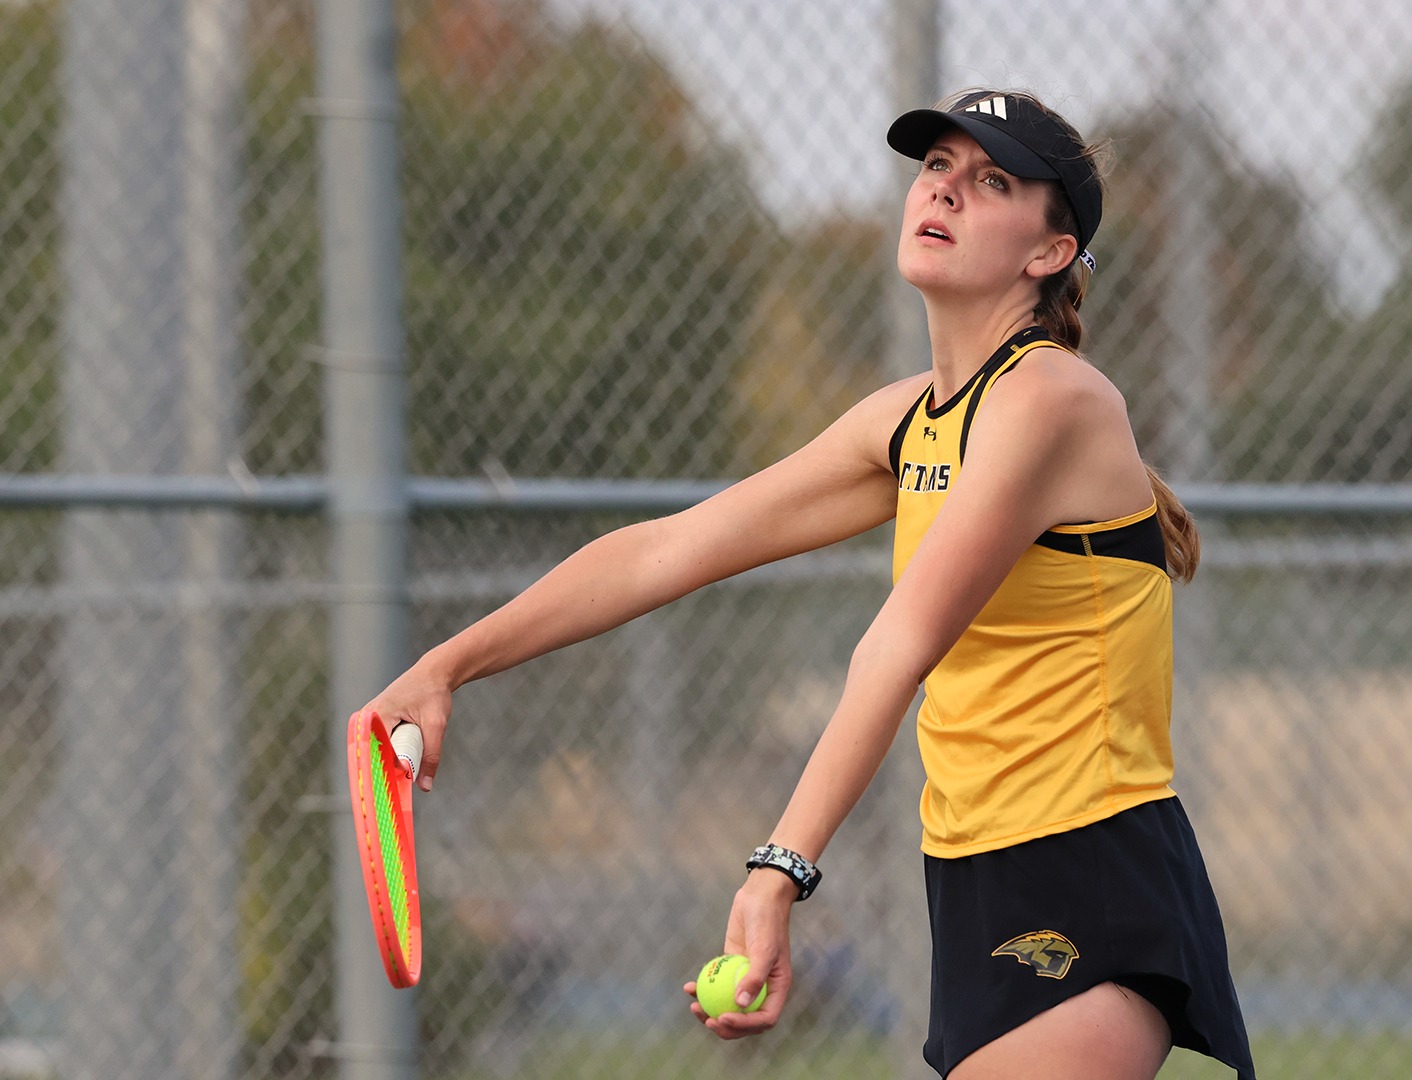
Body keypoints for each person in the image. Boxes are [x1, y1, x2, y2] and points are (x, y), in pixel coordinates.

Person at [359, 88, 1257, 1080]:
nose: (946, 191)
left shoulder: (1052, 400)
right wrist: (448, 665)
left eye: (992, 181)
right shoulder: (909, 422)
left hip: (1088, 874)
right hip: (974, 888)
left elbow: (899, 642)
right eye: (936, 168)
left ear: (1048, 254)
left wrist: (777, 870)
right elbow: (668, 550)